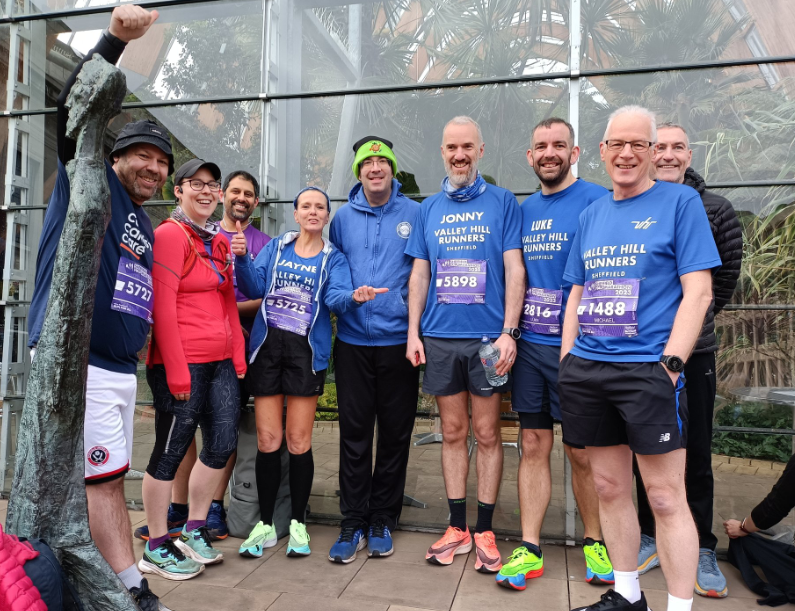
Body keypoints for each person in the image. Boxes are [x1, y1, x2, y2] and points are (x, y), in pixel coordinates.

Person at [26, 5, 170, 608]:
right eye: (143, 156)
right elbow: (71, 111)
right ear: (115, 156)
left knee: (102, 478)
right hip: (72, 358)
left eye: (162, 163)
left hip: (114, 367)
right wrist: (113, 39)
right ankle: (127, 586)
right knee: (90, 482)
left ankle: (105, 579)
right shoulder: (89, 177)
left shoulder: (139, 217)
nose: (154, 169)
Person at [558, 105, 722, 611]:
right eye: (616, 144)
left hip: (649, 371)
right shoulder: (592, 214)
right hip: (589, 369)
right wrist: (568, 359)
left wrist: (671, 364)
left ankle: (678, 606)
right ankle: (627, 595)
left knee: (667, 497)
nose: (626, 153)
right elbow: (576, 294)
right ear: (602, 151)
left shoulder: (679, 203)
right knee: (609, 486)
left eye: (638, 144)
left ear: (653, 152)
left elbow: (699, 292)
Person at [232, 186, 385, 559]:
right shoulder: (277, 247)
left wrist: (354, 297)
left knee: (298, 442)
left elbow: (335, 300)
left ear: (326, 217)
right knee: (268, 441)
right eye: (306, 206)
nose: (313, 212)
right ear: (296, 215)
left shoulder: (334, 258)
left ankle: (298, 523)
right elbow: (254, 287)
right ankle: (266, 524)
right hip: (268, 352)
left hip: (306, 356)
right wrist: (241, 260)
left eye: (320, 207)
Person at [496, 118, 613, 591]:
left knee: (581, 452)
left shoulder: (598, 201)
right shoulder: (522, 211)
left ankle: (596, 542)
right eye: (540, 145)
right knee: (533, 445)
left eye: (558, 145)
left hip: (580, 352)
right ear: (530, 156)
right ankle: (529, 548)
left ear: (575, 152)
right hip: (530, 348)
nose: (549, 153)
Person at [404, 116, 524, 572]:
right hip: (438, 339)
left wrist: (509, 332)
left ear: (481, 150)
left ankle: (486, 529)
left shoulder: (503, 202)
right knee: (453, 433)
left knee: (488, 434)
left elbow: (515, 269)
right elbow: (419, 274)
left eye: (467, 147)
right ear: (442, 152)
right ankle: (457, 526)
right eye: (452, 147)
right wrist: (413, 332)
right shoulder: (428, 209)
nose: (460, 154)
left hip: (486, 342)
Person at [133, 170, 270, 543]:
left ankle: (194, 529)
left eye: (212, 185)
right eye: (197, 185)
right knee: (170, 451)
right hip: (182, 364)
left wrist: (238, 356)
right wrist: (177, 371)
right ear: (178, 191)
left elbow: (228, 299)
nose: (206, 191)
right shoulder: (168, 236)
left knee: (222, 442)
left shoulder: (215, 240)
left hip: (221, 363)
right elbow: (161, 308)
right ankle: (160, 541)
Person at [636, 122, 742, 598]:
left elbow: (717, 290)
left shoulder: (715, 209)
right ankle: (646, 536)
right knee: (642, 446)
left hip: (693, 354)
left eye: (677, 147)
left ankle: (700, 545)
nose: (668, 155)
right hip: (637, 354)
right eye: (660, 147)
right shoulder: (633, 205)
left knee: (694, 448)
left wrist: (677, 340)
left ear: (689, 153)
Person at [327, 136, 421, 563]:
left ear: (392, 169)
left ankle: (383, 517)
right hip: (351, 344)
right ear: (359, 172)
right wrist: (351, 298)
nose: (375, 167)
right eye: (368, 162)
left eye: (383, 160)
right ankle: (353, 520)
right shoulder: (342, 219)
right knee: (355, 434)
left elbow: (424, 275)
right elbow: (335, 275)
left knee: (396, 435)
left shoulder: (416, 214)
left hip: (399, 343)